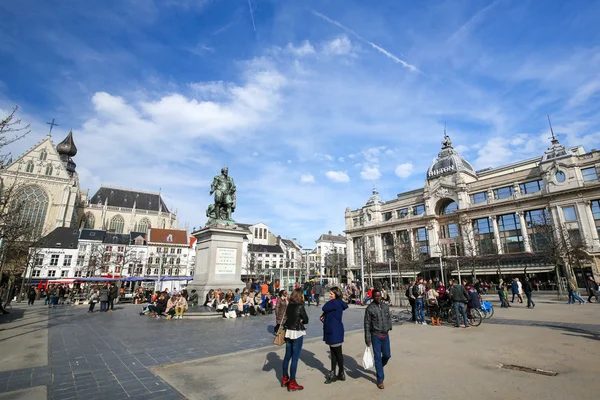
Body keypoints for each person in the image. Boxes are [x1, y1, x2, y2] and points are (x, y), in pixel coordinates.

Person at [364, 289, 392, 390]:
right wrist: (367, 339)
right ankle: (380, 379)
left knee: (387, 355)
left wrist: (390, 326)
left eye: (379, 296)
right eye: (376, 296)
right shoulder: (370, 309)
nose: (378, 298)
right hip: (375, 335)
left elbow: (388, 317)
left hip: (385, 335)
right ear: (373, 297)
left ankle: (379, 366)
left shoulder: (385, 306)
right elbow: (367, 324)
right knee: (377, 357)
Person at [281, 288, 309, 391]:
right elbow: (306, 320)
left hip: (288, 332)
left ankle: (285, 378)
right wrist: (301, 320)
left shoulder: (289, 306)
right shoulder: (300, 306)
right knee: (295, 358)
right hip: (297, 332)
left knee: (287, 356)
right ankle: (292, 382)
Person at [320, 286, 348, 384]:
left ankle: (335, 372)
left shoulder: (334, 303)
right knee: (336, 352)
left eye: (331, 294)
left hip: (333, 331)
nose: (330, 295)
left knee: (335, 352)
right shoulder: (339, 303)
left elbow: (324, 307)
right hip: (336, 330)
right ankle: (339, 372)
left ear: (336, 294)